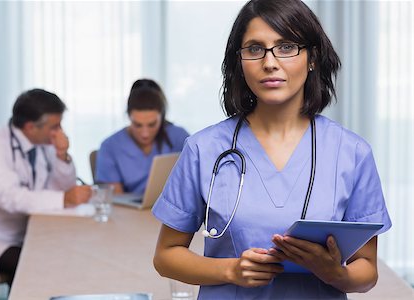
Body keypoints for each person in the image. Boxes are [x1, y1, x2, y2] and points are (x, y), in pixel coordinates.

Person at [152, 0, 392, 299]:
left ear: (312, 57)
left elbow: (366, 271)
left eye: (287, 46)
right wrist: (230, 271)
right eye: (254, 49)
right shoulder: (204, 149)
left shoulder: (352, 153)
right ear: (239, 61)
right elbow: (166, 255)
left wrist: (335, 273)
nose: (270, 62)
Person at [0, 88, 92, 286]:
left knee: (74, 255)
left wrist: (62, 155)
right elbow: (11, 198)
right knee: (35, 269)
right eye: (55, 126)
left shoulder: (43, 142)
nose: (59, 132)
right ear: (31, 127)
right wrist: (63, 198)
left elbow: (62, 190)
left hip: (29, 229)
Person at [95, 79, 189, 194]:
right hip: (131, 211)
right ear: (129, 117)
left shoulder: (178, 137)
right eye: (137, 125)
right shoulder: (110, 146)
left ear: (162, 117)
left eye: (152, 124)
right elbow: (115, 199)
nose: (145, 133)